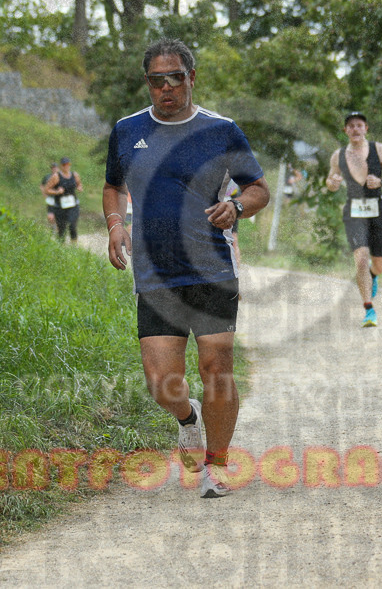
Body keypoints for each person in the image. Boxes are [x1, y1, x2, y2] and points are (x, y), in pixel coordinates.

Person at [101, 38, 270, 498]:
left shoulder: (221, 131)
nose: (168, 87)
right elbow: (113, 187)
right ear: (148, 84)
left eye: (176, 77)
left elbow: (257, 188)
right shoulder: (127, 130)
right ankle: (187, 418)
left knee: (217, 363)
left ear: (192, 78)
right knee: (161, 383)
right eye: (158, 80)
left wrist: (235, 206)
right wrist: (116, 225)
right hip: (154, 274)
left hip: (213, 267)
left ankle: (217, 465)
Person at [325, 112, 382, 328]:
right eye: (351, 126)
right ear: (345, 131)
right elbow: (330, 183)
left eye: (359, 125)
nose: (355, 129)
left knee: (379, 264)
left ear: (366, 128)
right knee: (360, 258)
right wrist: (334, 181)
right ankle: (369, 309)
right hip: (354, 212)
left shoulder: (379, 149)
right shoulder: (338, 155)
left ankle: (372, 275)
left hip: (377, 209)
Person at [46, 157, 83, 244]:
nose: (66, 166)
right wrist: (57, 192)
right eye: (64, 165)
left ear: (70, 165)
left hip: (73, 205)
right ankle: (61, 248)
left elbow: (79, 184)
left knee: (72, 225)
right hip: (60, 207)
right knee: (62, 230)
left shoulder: (75, 175)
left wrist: (79, 187)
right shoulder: (56, 176)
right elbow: (46, 189)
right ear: (61, 166)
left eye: (68, 164)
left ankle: (74, 247)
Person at [40, 162, 59, 231]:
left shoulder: (61, 177)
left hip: (59, 198)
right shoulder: (47, 177)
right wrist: (44, 193)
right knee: (50, 216)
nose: (54, 169)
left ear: (58, 168)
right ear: (51, 169)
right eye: (53, 168)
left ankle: (58, 228)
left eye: (56, 168)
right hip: (50, 198)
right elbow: (42, 185)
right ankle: (53, 227)